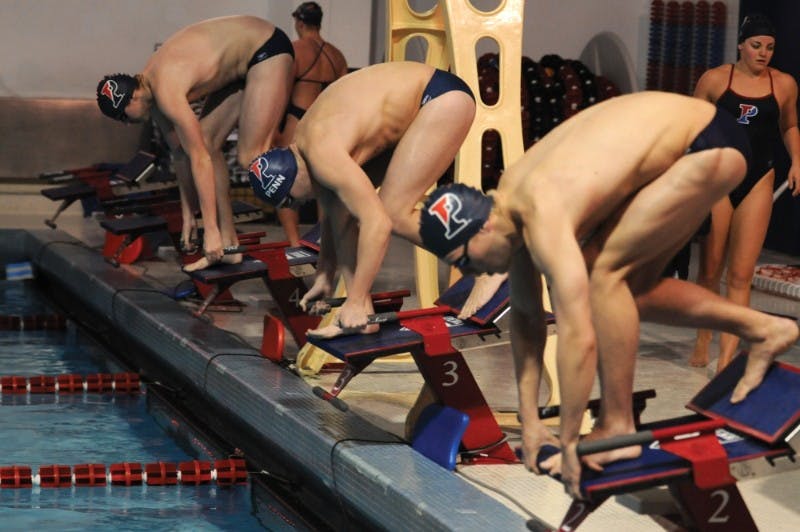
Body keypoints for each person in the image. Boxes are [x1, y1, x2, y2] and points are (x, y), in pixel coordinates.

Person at [414, 91, 800, 499]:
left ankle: (618, 425)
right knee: (631, 291)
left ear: (485, 228)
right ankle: (764, 327)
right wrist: (531, 425)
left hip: (705, 143)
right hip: (690, 144)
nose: (474, 273)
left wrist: (567, 444)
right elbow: (527, 320)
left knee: (604, 279)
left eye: (467, 260)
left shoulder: (542, 210)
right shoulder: (511, 207)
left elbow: (578, 337)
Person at [247, 61, 475, 336]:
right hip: (419, 103)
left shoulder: (322, 152)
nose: (299, 205)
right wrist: (324, 274)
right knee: (343, 209)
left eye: (293, 200)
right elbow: (334, 212)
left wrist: (352, 299)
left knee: (392, 213)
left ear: (291, 177)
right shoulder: (306, 144)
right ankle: (363, 316)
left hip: (440, 99)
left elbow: (377, 224)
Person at [96, 16, 294, 271]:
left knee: (251, 156)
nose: (126, 123)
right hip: (241, 64)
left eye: (123, 116)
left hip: (267, 50)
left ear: (133, 98)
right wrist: (188, 214)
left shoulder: (165, 89)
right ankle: (230, 245)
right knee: (208, 142)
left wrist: (207, 230)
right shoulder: (150, 91)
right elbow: (180, 153)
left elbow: (199, 159)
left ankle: (320, 182)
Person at [690, 13, 800, 370]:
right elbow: (691, 127)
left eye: (769, 47)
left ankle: (725, 358)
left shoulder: (783, 84)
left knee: (741, 274)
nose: (763, 53)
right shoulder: (716, 80)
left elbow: (790, 125)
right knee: (710, 269)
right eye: (756, 45)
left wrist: (797, 160)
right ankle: (703, 337)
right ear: (741, 44)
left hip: (759, 178)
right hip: (720, 179)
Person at [274, 1, 348, 247]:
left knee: (282, 186)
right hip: (327, 126)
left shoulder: (295, 50)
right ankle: (322, 244)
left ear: (300, 22)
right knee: (325, 191)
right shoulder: (337, 56)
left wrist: (274, 130)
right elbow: (344, 98)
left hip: (298, 121)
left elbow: (280, 93)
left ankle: (295, 245)